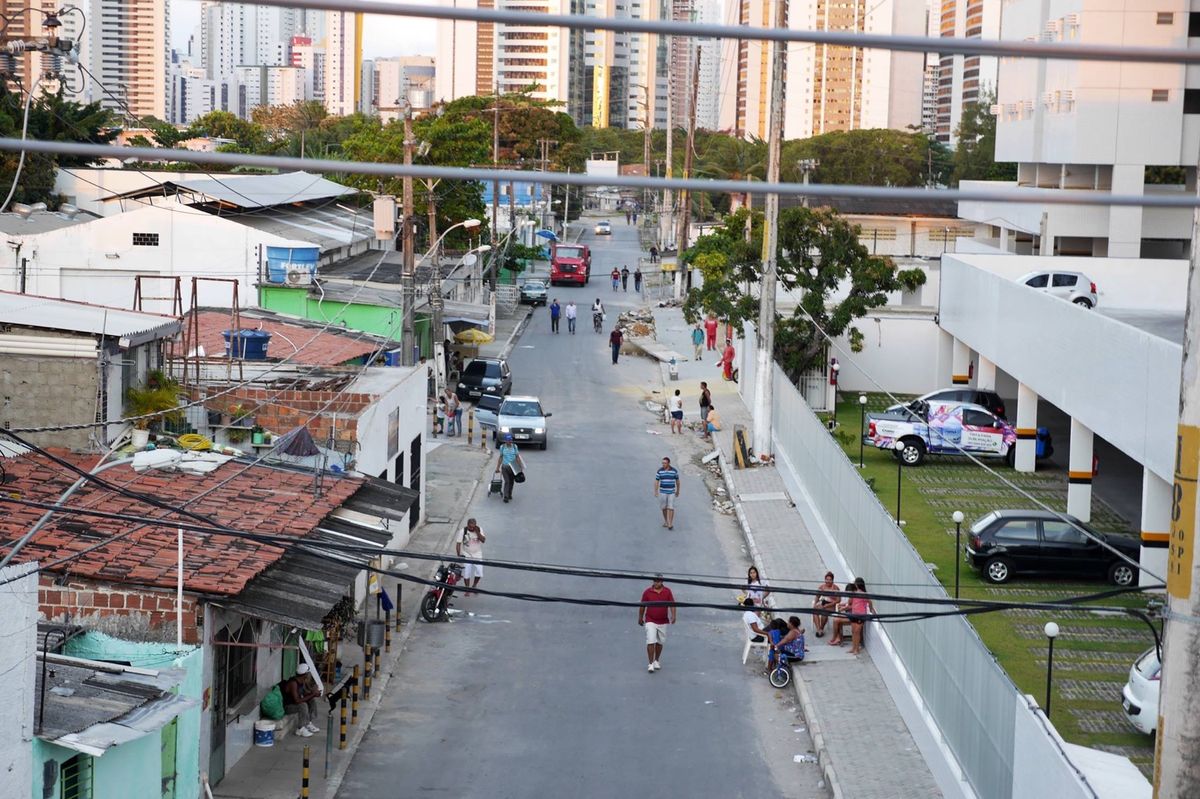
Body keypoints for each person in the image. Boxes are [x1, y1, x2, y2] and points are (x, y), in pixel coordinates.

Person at [638, 573, 676, 672]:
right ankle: (650, 664)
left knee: (660, 642)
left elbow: (672, 604)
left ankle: (656, 660)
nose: (656, 583)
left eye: (658, 581)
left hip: (663, 621)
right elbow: (642, 605)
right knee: (651, 641)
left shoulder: (667, 591)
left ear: (662, 582)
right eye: (654, 581)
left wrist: (673, 615)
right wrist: (640, 617)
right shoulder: (647, 592)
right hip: (650, 620)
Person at [282, 663, 322, 737]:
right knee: (303, 705)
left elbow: (306, 694)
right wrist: (312, 694)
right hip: (287, 707)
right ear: (305, 675)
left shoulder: (302, 681)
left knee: (311, 700)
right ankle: (300, 729)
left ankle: (308, 722)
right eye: (308, 673)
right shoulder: (293, 683)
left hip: (294, 704)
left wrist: (315, 693)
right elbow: (297, 700)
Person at [456, 517, 487, 595]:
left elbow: (483, 540)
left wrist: (477, 532)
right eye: (470, 527)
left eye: (473, 527)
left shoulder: (479, 529)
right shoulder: (463, 531)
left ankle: (474, 586)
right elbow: (458, 543)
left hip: (477, 554)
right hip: (467, 554)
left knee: (479, 572)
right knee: (467, 573)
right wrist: (459, 555)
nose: (472, 528)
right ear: (467, 525)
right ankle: (467, 589)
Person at [494, 434, 526, 503]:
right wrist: (497, 468)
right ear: (505, 441)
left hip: (513, 467)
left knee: (511, 481)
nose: (509, 442)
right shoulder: (502, 447)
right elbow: (500, 457)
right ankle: (506, 496)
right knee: (507, 481)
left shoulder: (514, 447)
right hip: (505, 467)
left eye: (510, 440)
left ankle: (509, 494)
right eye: (508, 440)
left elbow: (517, 457)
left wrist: (520, 466)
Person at [849, 578, 874, 656]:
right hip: (854, 614)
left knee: (857, 632)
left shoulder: (863, 594)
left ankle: (857, 649)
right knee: (853, 631)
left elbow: (869, 601)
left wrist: (871, 609)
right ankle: (853, 647)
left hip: (861, 615)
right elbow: (850, 602)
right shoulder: (854, 593)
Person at [654, 456, 680, 529]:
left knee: (670, 507)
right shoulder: (660, 471)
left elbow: (678, 482)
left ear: (669, 463)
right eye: (662, 463)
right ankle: (666, 521)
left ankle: (670, 524)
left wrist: (678, 491)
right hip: (663, 492)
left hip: (671, 492)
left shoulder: (674, 471)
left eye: (665, 463)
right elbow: (656, 481)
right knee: (664, 507)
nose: (663, 464)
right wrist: (656, 491)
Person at [812, 571, 839, 638]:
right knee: (814, 610)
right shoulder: (822, 587)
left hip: (831, 605)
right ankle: (819, 630)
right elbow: (817, 596)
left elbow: (838, 600)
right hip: (823, 603)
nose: (828, 581)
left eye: (830, 580)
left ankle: (821, 628)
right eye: (827, 579)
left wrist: (827, 605)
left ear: (832, 580)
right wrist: (815, 603)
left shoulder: (835, 588)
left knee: (824, 613)